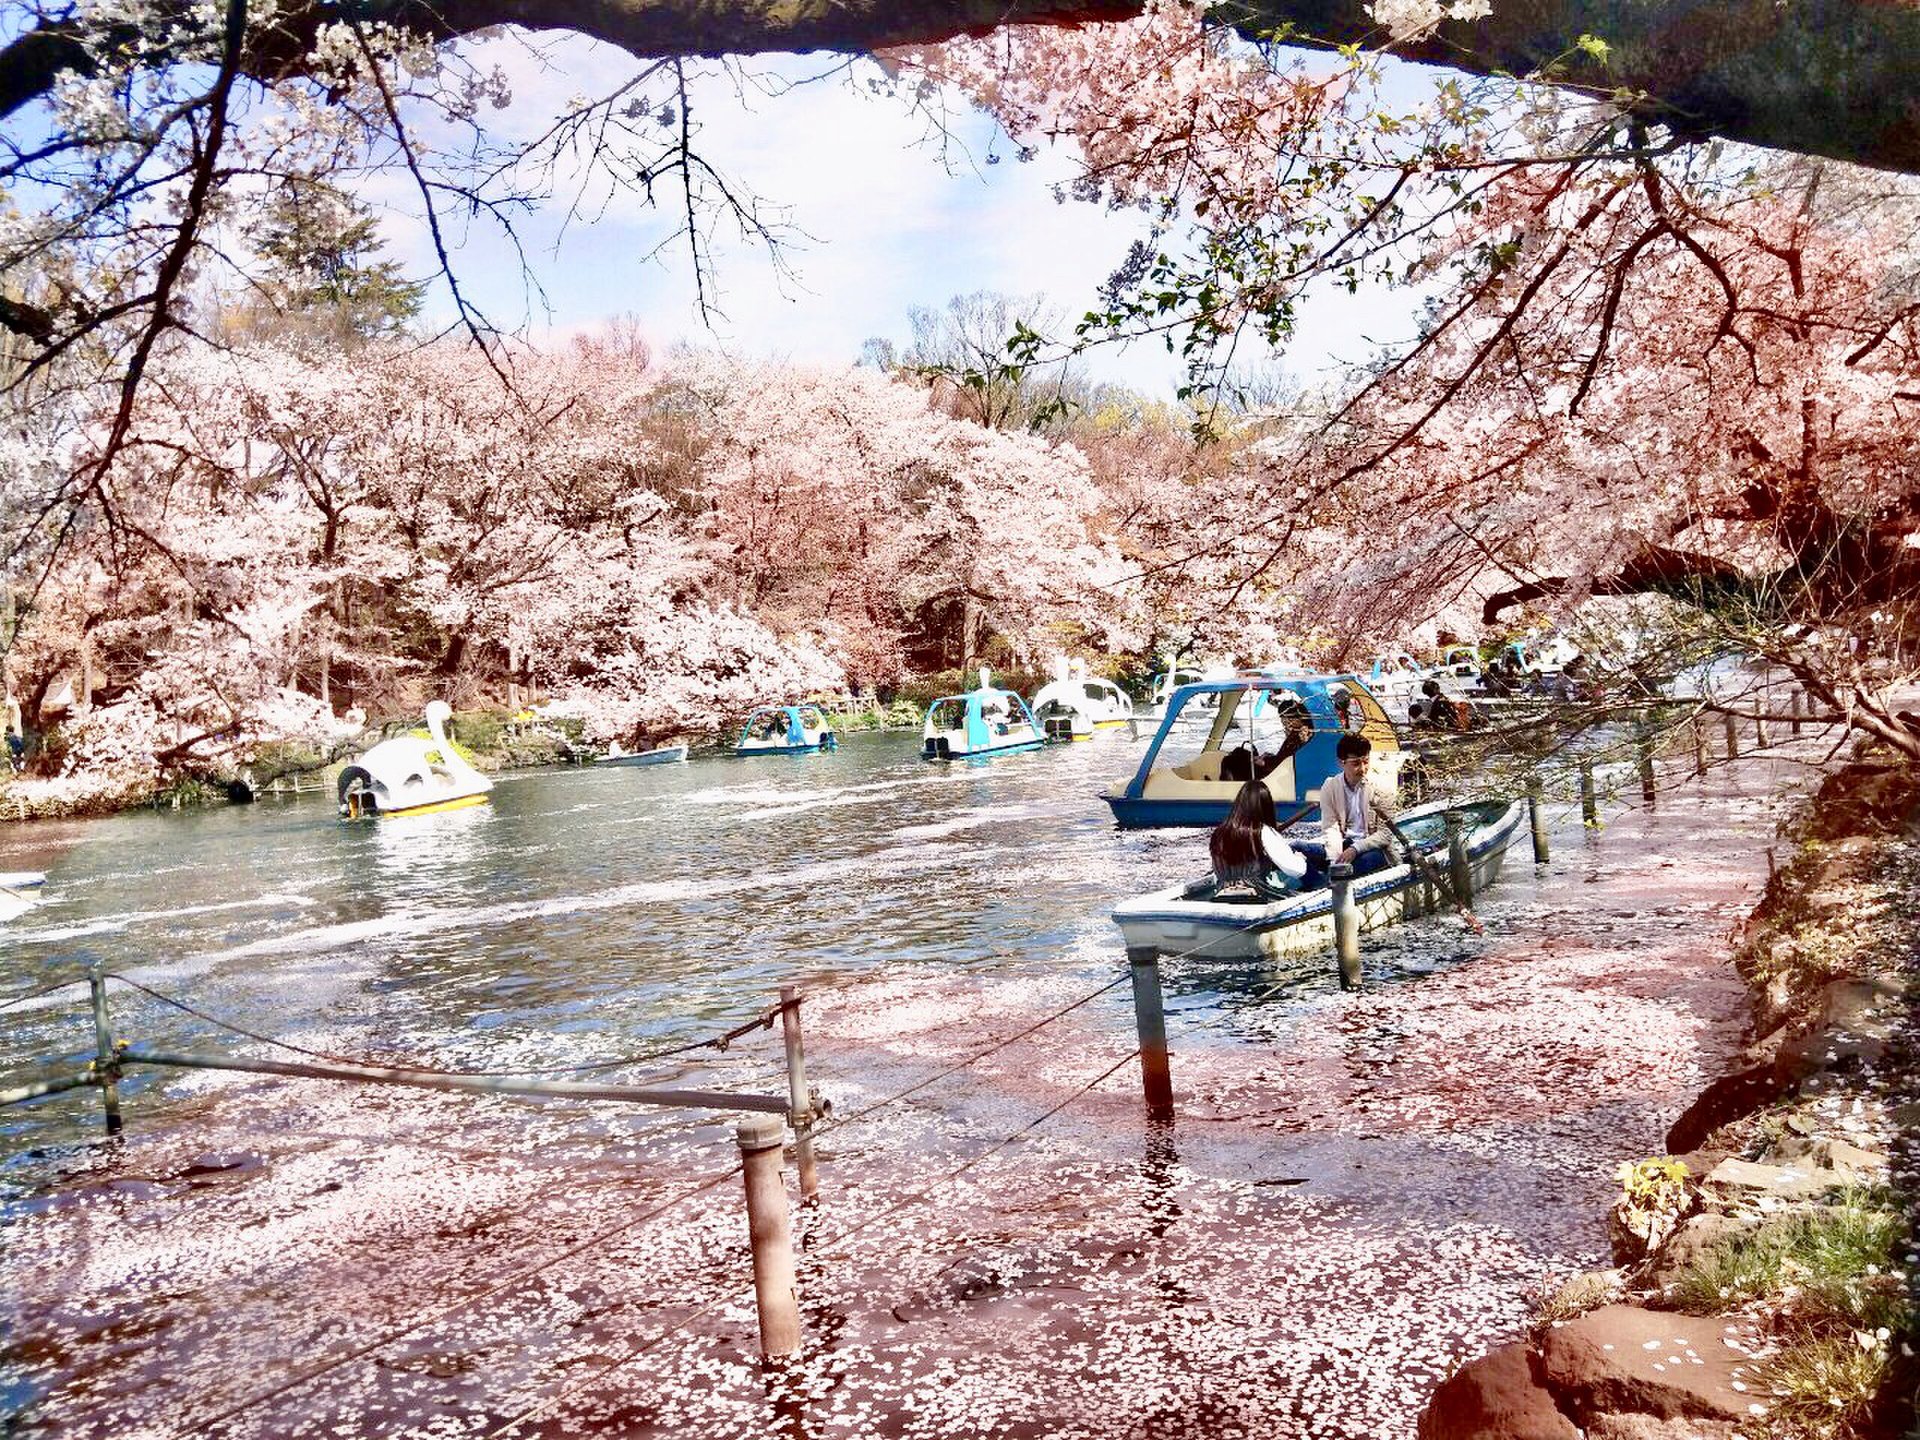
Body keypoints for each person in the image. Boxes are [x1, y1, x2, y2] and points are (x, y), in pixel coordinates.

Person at [1209, 780, 1311, 896]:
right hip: (1255, 893)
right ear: (1266, 805)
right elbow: (1296, 870)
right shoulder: (1263, 832)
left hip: (1223, 890)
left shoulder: (1219, 832)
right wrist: (1300, 859)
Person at [1318, 734, 1397, 877]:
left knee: (1364, 862)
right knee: (1297, 848)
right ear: (1341, 763)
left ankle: (1321, 884)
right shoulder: (1330, 786)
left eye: (1366, 762)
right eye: (1356, 764)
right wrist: (1335, 861)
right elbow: (1330, 827)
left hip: (1373, 848)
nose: (1362, 768)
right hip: (1344, 844)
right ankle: (1327, 880)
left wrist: (1355, 849)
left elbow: (1385, 835)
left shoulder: (1382, 788)